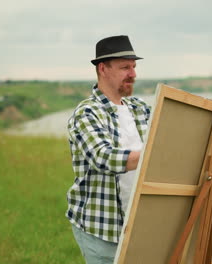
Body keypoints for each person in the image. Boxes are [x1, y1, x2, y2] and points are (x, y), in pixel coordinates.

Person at [65, 35, 151, 263]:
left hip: (140, 225)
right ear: (103, 69)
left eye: (133, 67)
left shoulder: (140, 109)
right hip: (102, 231)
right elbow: (104, 158)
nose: (133, 74)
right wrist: (157, 156)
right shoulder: (87, 113)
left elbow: (169, 137)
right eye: (125, 67)